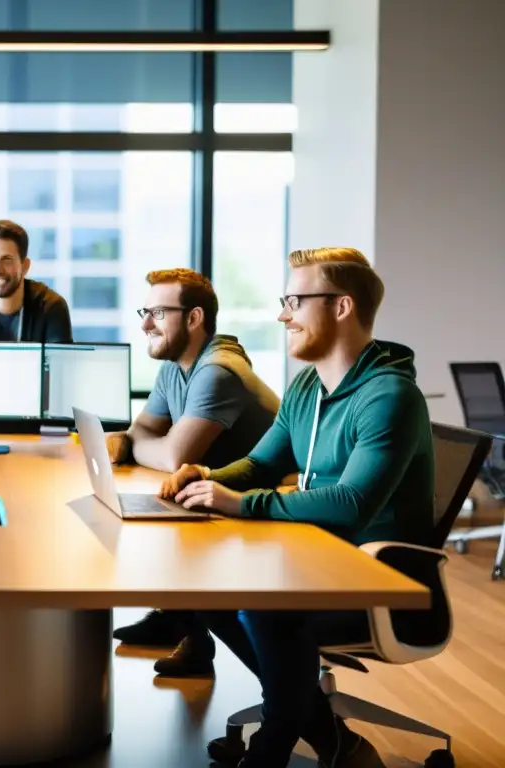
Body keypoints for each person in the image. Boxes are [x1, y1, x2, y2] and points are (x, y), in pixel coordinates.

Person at [161, 248, 433, 768]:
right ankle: (328, 734)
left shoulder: (390, 397)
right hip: (315, 559)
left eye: (294, 300)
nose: (283, 314)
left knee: (266, 606)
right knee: (206, 589)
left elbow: (351, 504)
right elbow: (262, 465)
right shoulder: (308, 386)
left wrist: (240, 503)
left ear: (341, 307)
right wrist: (204, 479)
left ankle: (271, 749)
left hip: (379, 579)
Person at [108, 269, 280, 675]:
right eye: (144, 311)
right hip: (219, 502)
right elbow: (144, 431)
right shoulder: (176, 364)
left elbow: (173, 455)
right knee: (156, 511)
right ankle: (186, 626)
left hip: (270, 512)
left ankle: (185, 624)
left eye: (157, 313)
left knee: (160, 514)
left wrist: (138, 446)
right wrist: (138, 441)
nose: (146, 323)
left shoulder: (217, 370)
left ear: (194, 318)